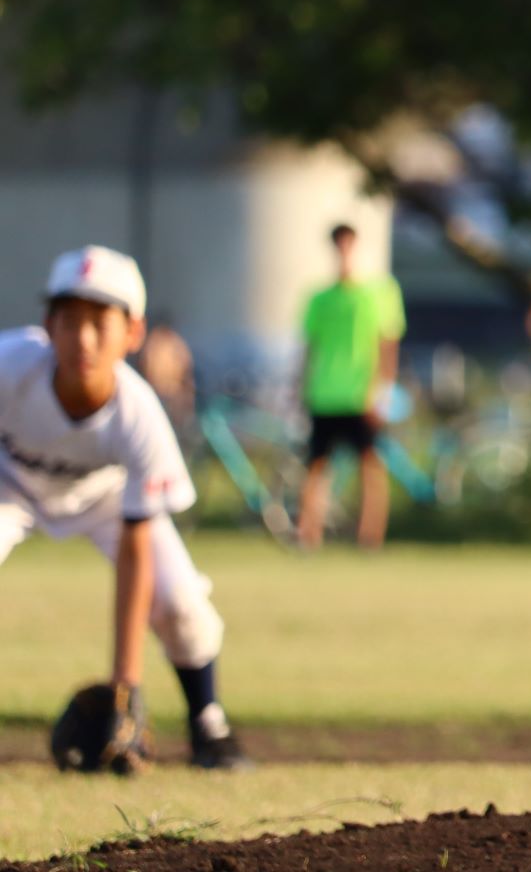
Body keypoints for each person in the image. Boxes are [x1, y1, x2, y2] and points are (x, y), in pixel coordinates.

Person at [0, 245, 249, 769]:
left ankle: (208, 722)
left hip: (105, 500)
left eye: (100, 322)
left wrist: (125, 687)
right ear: (48, 324)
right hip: (9, 486)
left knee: (181, 603)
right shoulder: (10, 368)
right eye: (70, 321)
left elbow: (137, 551)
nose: (83, 338)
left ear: (133, 333)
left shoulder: (139, 417)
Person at [295, 223, 406, 551]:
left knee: (370, 468)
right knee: (316, 468)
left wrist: (383, 390)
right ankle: (308, 535)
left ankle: (370, 538)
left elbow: (387, 345)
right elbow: (309, 349)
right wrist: (299, 388)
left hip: (361, 396)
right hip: (325, 393)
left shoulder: (375, 295)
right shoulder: (319, 298)